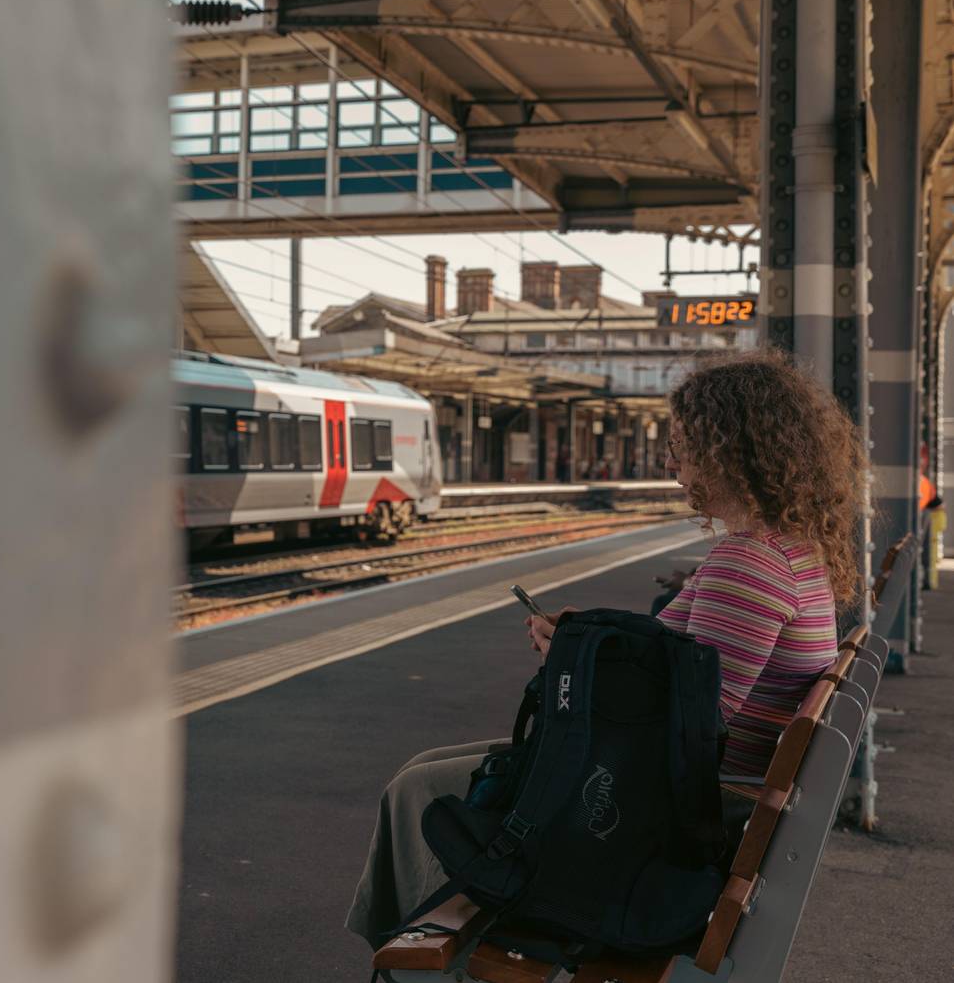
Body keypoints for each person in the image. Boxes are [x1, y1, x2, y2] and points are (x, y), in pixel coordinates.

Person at [346, 349, 866, 949]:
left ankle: (414, 955)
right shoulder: (788, 551)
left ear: (731, 452)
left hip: (687, 802)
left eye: (684, 446)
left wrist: (579, 670)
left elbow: (693, 722)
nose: (670, 463)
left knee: (417, 791)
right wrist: (584, 643)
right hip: (716, 784)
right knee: (421, 770)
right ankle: (402, 946)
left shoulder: (749, 563)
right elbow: (682, 671)